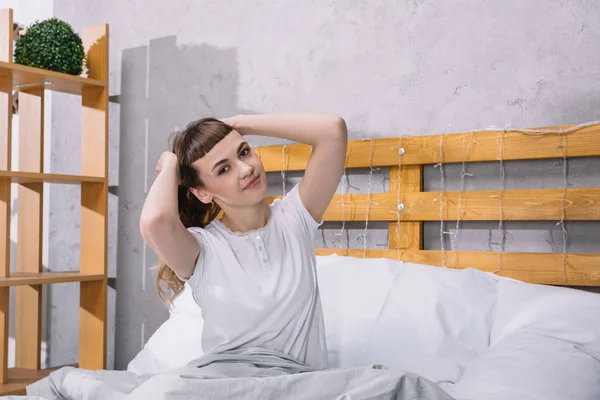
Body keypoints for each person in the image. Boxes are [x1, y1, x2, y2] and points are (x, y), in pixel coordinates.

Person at [140, 113, 348, 370]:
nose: (247, 168)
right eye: (224, 169)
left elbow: (333, 131)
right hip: (228, 388)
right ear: (202, 192)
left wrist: (238, 124)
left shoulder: (296, 219)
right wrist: (171, 165)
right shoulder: (203, 250)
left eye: (244, 152)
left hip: (301, 387)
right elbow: (155, 221)